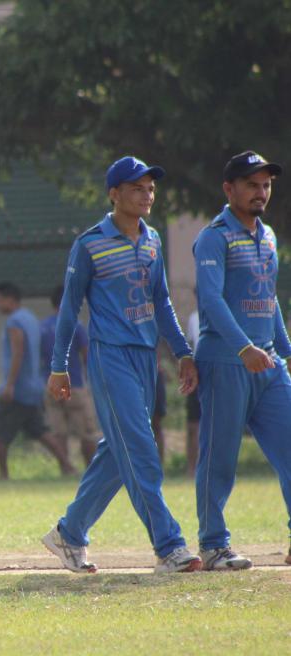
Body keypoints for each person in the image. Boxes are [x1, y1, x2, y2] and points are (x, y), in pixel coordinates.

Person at [42, 156, 202, 574]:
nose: (146, 195)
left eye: (150, 188)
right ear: (114, 194)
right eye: (136, 188)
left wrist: (183, 352)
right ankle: (169, 546)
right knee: (142, 450)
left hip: (145, 357)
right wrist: (59, 366)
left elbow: (162, 300)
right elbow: (69, 308)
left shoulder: (152, 240)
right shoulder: (90, 243)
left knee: (118, 453)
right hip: (110, 357)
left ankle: (69, 533)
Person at [192, 151, 291, 570]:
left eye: (265, 184)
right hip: (225, 363)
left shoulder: (267, 236)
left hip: (268, 365)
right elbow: (211, 300)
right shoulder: (214, 236)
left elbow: (269, 300)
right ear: (229, 189)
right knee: (219, 458)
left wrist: (284, 349)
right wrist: (242, 348)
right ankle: (214, 544)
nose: (261, 192)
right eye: (252, 184)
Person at [0, 281, 75, 479]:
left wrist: (10, 384)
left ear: (10, 300)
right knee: (40, 431)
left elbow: (18, 351)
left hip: (18, 388)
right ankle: (67, 466)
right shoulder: (30, 318)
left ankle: (3, 474)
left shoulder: (14, 322)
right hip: (34, 385)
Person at [40, 284, 99, 467]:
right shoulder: (76, 325)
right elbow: (86, 354)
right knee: (87, 432)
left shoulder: (42, 327)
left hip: (51, 385)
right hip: (75, 385)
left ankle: (65, 469)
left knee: (59, 432)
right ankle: (89, 468)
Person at [184, 305, 201, 476]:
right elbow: (190, 342)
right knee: (192, 424)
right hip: (197, 370)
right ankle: (191, 469)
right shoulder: (193, 317)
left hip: (216, 371)